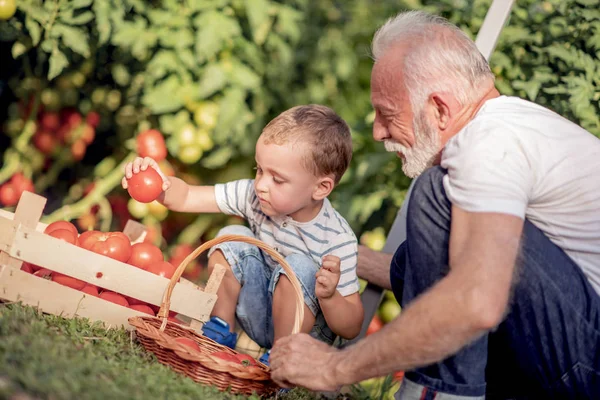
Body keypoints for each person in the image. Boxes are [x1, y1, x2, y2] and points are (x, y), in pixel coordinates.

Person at [269, 10, 600, 399]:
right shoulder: (509, 126)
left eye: (387, 114)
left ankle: (436, 393)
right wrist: (324, 244)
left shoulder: (487, 147)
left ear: (440, 109)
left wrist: (332, 367)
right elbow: (446, 271)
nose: (377, 132)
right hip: (579, 346)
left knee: (436, 197)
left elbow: (477, 301)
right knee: (432, 249)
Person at [122, 104, 364, 364]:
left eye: (277, 179)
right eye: (259, 170)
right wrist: (160, 185)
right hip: (260, 314)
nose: (261, 185)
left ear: (321, 188)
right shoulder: (254, 196)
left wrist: (329, 297)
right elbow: (189, 197)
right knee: (232, 236)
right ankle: (218, 333)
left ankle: (283, 360)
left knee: (299, 267)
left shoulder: (337, 239)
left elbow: (351, 327)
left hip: (305, 337)